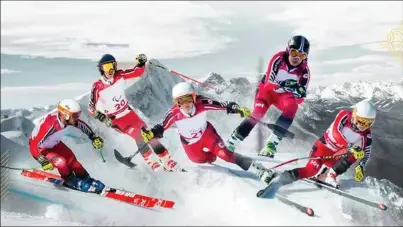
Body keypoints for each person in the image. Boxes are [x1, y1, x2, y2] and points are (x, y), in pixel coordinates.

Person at [141, 82, 275, 181]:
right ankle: (212, 154)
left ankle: (260, 171)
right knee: (201, 160)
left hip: (207, 134)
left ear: (194, 97)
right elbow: (161, 127)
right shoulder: (173, 114)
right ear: (177, 103)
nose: (185, 103)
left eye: (188, 98)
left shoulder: (202, 103)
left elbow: (222, 105)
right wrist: (151, 133)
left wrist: (235, 108)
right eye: (180, 101)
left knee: (226, 155)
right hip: (190, 144)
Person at [88, 53, 180, 172]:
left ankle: (168, 161)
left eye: (113, 65)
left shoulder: (119, 75)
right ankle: (153, 163)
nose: (110, 70)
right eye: (106, 67)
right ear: (101, 69)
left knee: (148, 134)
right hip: (115, 120)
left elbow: (136, 72)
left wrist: (141, 63)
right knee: (138, 136)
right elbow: (91, 108)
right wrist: (103, 118)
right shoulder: (97, 86)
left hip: (128, 113)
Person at [226, 35, 311, 158]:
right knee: (258, 113)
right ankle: (234, 140)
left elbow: (300, 98)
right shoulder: (278, 58)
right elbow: (268, 84)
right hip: (267, 92)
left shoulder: (304, 72)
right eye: (294, 52)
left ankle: (271, 145)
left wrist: (298, 94)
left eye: (302, 55)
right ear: (288, 50)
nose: (297, 57)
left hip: (283, 96)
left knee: (293, 106)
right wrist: (285, 85)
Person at [263, 100, 376, 191]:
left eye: (368, 123)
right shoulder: (344, 116)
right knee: (311, 170)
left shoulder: (366, 134)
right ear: (355, 115)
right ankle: (282, 179)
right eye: (361, 121)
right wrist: (350, 147)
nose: (364, 126)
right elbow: (336, 133)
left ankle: (328, 175)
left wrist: (361, 167)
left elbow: (366, 153)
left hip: (334, 157)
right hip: (322, 149)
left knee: (356, 153)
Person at [29, 99, 106, 193]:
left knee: (73, 161)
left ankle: (86, 179)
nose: (77, 117)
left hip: (54, 144)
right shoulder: (50, 125)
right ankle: (70, 179)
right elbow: (33, 146)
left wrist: (93, 137)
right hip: (41, 149)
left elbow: (82, 125)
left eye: (78, 114)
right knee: (61, 162)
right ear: (65, 114)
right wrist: (42, 160)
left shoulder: (68, 120)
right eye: (75, 115)